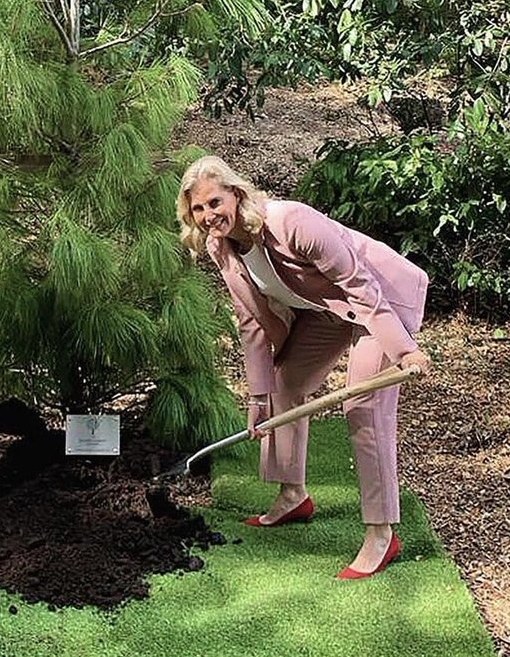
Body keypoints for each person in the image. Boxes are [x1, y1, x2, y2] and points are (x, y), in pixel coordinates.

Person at [177, 155, 431, 579]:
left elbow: (359, 284)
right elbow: (250, 321)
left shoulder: (291, 221)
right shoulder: (221, 246)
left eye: (214, 202)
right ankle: (293, 495)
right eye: (198, 209)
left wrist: (406, 351)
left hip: (380, 300)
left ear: (236, 195)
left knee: (364, 406)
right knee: (285, 385)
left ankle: (381, 533)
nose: (208, 215)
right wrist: (258, 397)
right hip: (325, 309)